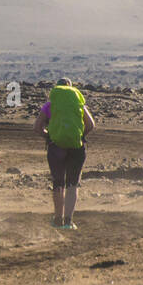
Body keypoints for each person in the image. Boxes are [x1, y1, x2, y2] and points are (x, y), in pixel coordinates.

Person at [33, 78, 95, 230]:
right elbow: (91, 125)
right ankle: (69, 221)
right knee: (73, 184)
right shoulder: (78, 104)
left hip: (56, 148)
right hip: (76, 147)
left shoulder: (50, 105)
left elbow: (37, 127)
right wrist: (80, 136)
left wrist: (49, 136)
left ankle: (57, 219)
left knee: (58, 183)